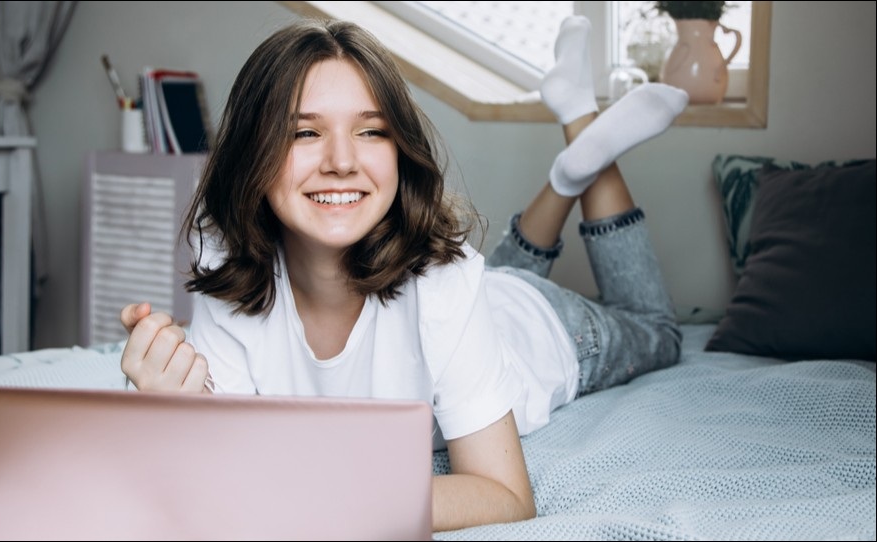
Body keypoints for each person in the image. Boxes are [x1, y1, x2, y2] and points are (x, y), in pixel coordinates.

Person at [119, 16, 687, 532]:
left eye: (370, 131)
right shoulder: (230, 271)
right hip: (471, 301)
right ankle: (567, 175)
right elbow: (236, 472)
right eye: (304, 132)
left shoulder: (444, 283)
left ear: (398, 151)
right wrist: (175, 416)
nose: (342, 160)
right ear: (252, 155)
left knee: (656, 328)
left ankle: (586, 146)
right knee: (483, 276)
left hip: (540, 330)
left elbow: (507, 496)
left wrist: (338, 499)